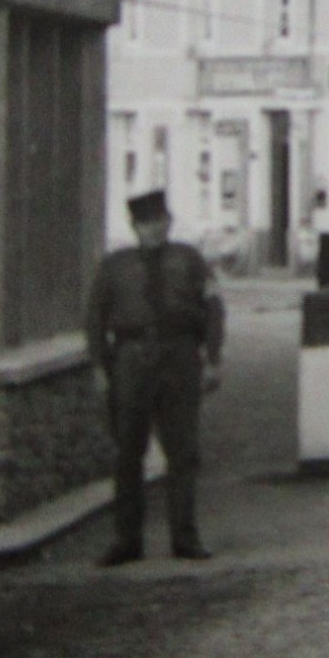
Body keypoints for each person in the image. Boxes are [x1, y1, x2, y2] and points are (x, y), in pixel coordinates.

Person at [87, 190, 225, 567]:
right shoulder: (115, 266)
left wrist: (212, 358)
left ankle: (185, 536)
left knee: (182, 450)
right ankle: (127, 540)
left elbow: (213, 309)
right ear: (134, 227)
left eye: (161, 220)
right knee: (128, 450)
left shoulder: (190, 260)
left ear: (170, 221)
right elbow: (95, 318)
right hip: (130, 361)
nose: (155, 228)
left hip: (180, 357)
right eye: (147, 222)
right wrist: (100, 367)